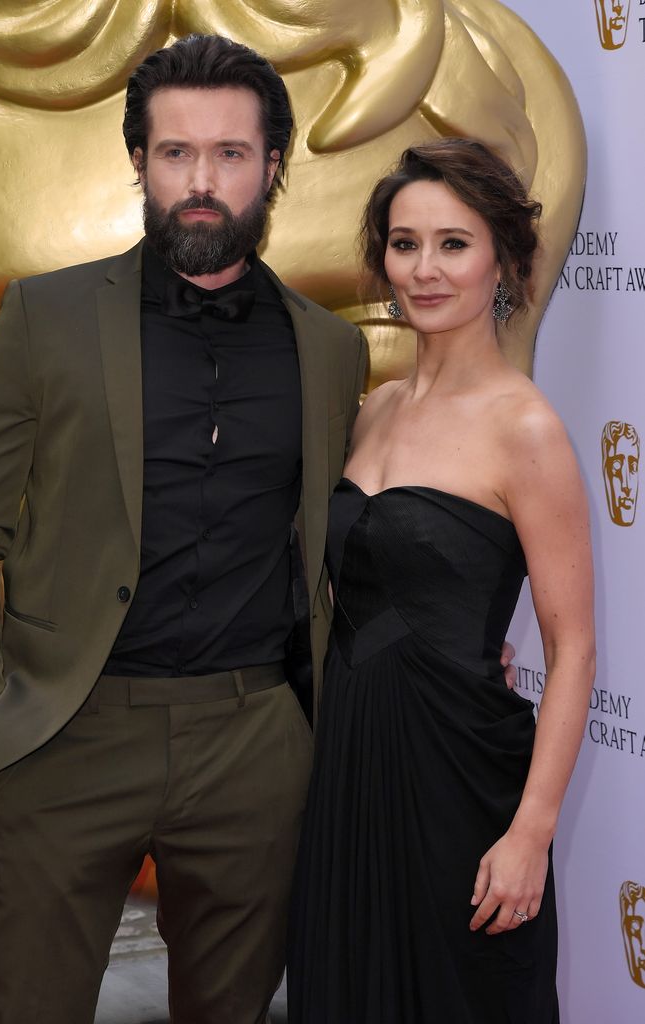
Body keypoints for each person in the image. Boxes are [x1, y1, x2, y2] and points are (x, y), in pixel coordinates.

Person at [0, 33, 368, 1024]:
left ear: (273, 168)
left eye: (230, 153)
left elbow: (335, 554)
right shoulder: (44, 317)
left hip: (256, 739)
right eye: (175, 153)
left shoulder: (331, 350)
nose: (201, 180)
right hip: (69, 731)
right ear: (138, 162)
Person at [287, 139, 595, 1023]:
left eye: (453, 244)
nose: (423, 269)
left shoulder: (524, 428)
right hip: (348, 757)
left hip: (459, 776)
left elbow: (572, 648)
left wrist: (530, 832)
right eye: (403, 242)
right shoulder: (374, 407)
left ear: (502, 257)